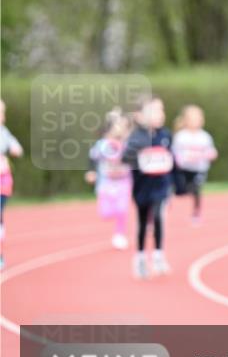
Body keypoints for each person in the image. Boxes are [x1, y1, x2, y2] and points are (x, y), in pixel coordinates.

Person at [123, 96, 174, 280]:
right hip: (142, 187)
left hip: (161, 185)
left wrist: (176, 184)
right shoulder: (136, 138)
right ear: (139, 116)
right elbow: (126, 158)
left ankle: (159, 255)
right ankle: (140, 257)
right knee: (143, 222)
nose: (159, 114)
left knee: (159, 216)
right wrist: (141, 157)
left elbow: (172, 160)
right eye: (153, 110)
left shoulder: (165, 135)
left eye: (161, 110)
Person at [86, 110, 133, 250]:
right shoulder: (102, 144)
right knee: (105, 213)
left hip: (124, 182)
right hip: (106, 183)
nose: (120, 130)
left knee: (122, 209)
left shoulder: (129, 144)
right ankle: (112, 217)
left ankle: (119, 234)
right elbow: (93, 157)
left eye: (124, 127)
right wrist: (91, 171)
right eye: (116, 126)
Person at [171, 105, 218, 224]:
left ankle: (196, 213)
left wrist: (210, 155)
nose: (195, 121)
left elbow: (211, 151)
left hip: (199, 169)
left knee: (196, 189)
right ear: (186, 120)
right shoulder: (181, 136)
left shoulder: (205, 137)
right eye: (192, 119)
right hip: (184, 169)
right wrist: (180, 159)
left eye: (198, 118)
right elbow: (174, 152)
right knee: (181, 190)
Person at [0, 99, 23, 270]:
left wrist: (11, 149)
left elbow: (17, 148)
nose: (3, 116)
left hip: (2, 180)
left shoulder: (3, 132)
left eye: (3, 112)